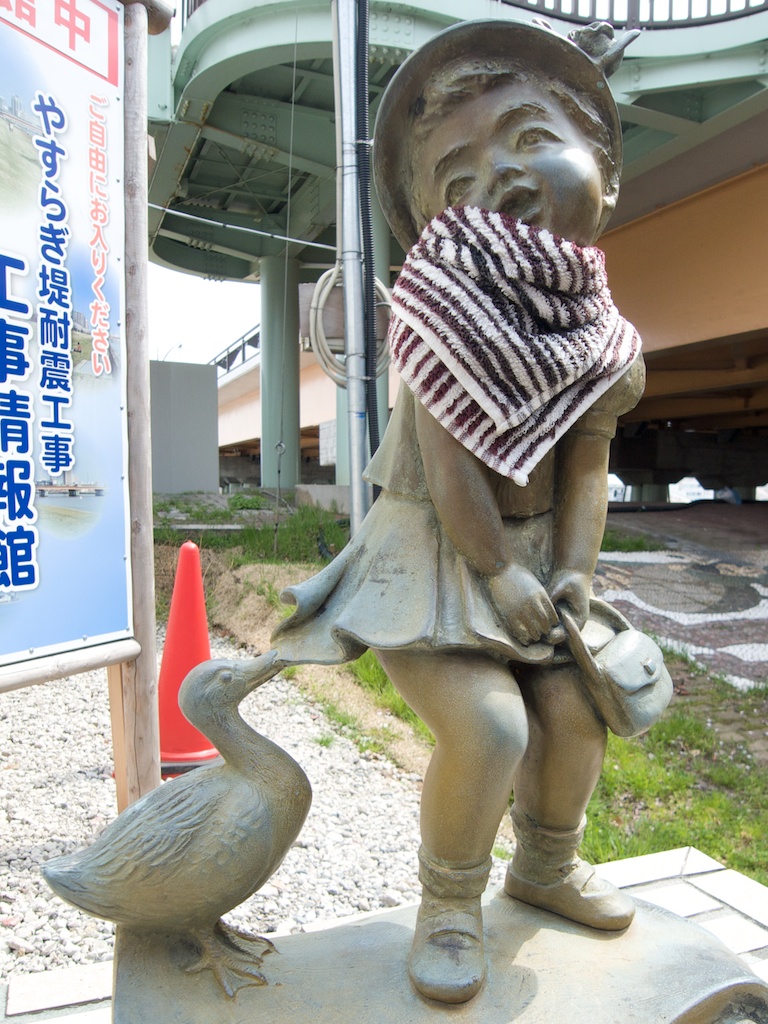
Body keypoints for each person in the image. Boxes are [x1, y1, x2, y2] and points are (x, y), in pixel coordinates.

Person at [274, 18, 647, 1005]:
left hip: (535, 565)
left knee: (574, 714)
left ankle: (546, 865)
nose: (506, 182)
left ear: (601, 158)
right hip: (433, 561)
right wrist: (494, 568)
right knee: (489, 728)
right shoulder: (440, 320)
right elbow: (449, 473)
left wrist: (574, 570)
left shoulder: (601, 340)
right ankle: (449, 901)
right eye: (460, 180)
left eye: (529, 139)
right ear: (435, 225)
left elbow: (587, 467)